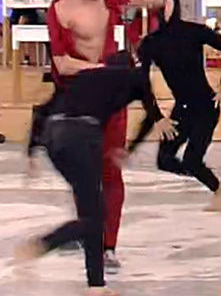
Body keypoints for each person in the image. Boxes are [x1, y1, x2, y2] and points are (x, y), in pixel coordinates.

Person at [44, 0, 154, 271]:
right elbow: (62, 64)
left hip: (109, 97)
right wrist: (103, 71)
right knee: (84, 176)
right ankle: (88, 233)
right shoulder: (59, 9)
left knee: (111, 172)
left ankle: (108, 245)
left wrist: (161, 0)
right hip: (78, 99)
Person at [16, 51, 160, 296]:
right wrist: (130, 148)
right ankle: (44, 243)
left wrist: (32, 151)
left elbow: (41, 110)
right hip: (81, 134)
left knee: (92, 210)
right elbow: (152, 115)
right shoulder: (134, 76)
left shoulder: (85, 76)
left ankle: (96, 285)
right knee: (95, 215)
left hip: (53, 136)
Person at [138, 0, 221, 211]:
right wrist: (157, 117)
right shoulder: (151, 43)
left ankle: (218, 189)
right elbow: (142, 84)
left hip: (206, 106)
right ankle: (197, 173)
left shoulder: (194, 31)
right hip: (182, 108)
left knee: (192, 159)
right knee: (164, 160)